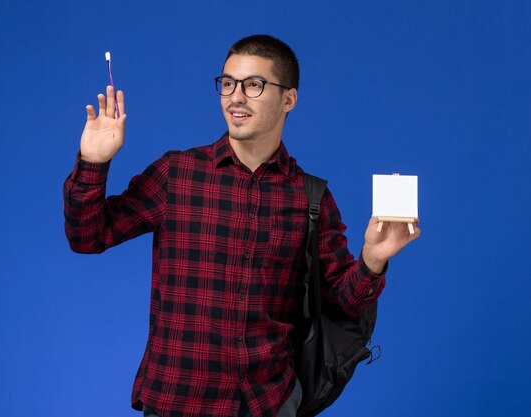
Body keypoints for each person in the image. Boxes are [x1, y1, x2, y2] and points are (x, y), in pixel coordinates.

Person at [63, 34, 420, 417]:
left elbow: (342, 303)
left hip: (268, 402)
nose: (236, 97)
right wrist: (93, 163)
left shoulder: (310, 197)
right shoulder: (176, 174)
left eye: (253, 85)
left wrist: (372, 260)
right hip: (176, 399)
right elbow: (87, 236)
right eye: (228, 83)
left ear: (289, 99)